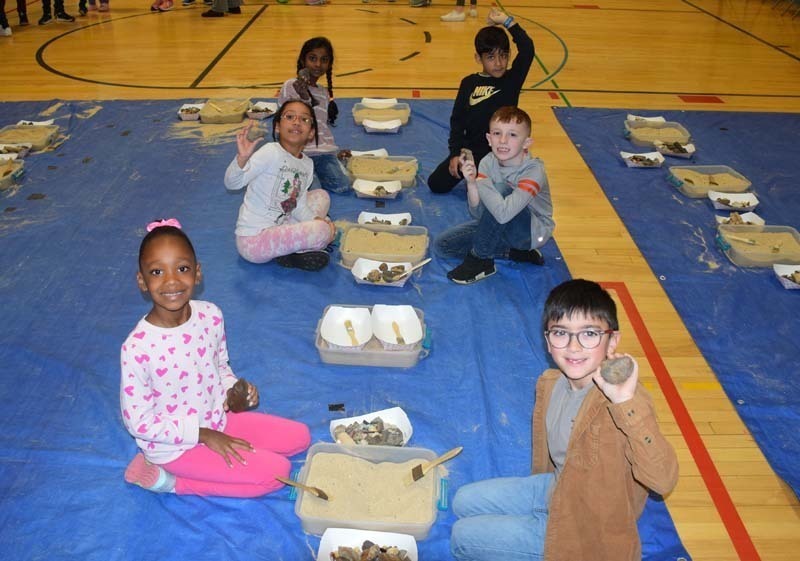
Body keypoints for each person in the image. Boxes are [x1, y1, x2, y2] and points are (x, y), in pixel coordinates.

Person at [450, 279, 679, 561]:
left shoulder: (625, 401)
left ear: (612, 341)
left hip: (586, 530)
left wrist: (625, 403)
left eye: (589, 334)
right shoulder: (551, 382)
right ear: (547, 340)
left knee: (463, 536)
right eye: (561, 333)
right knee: (462, 500)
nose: (573, 347)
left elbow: (663, 480)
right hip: (560, 488)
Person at [121, 219, 311, 497]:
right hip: (173, 447)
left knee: (300, 438)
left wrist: (234, 393)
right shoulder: (137, 348)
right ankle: (171, 482)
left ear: (197, 274)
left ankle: (219, 457)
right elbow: (139, 422)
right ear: (142, 281)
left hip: (218, 420)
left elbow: (220, 367)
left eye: (182, 268)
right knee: (277, 475)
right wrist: (204, 435)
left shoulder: (210, 315)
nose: (171, 280)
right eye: (157, 271)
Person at [435, 106, 554, 285]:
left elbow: (504, 213)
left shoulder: (533, 171)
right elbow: (479, 214)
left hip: (530, 232)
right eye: (497, 133)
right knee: (443, 245)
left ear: (526, 143)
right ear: (489, 139)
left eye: (513, 135)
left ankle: (481, 260)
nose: (503, 140)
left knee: (502, 190)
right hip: (501, 223)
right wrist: (472, 183)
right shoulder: (488, 162)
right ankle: (513, 252)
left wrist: (484, 184)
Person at [428, 8, 534, 194]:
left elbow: (527, 48)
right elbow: (458, 121)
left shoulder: (512, 79)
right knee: (436, 184)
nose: (499, 63)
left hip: (503, 153)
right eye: (491, 57)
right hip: (472, 152)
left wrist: (507, 22)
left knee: (499, 196)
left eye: (503, 55)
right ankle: (480, 177)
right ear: (478, 58)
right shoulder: (469, 83)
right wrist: (455, 155)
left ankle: (497, 177)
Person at [225, 100, 336, 271]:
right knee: (322, 231)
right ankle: (299, 246)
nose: (296, 122)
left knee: (322, 196)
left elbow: (298, 205)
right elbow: (232, 184)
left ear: (311, 133)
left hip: (281, 225)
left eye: (304, 119)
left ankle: (293, 249)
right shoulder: (271, 151)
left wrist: (316, 220)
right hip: (254, 241)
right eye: (289, 116)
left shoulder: (306, 164)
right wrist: (241, 159)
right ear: (277, 126)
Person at [278, 37, 351, 194]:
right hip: (297, 153)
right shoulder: (290, 86)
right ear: (303, 60)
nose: (318, 64)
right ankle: (302, 174)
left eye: (324, 60)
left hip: (321, 153)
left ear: (329, 64)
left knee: (343, 186)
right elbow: (291, 119)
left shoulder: (324, 93)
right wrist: (303, 92)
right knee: (313, 192)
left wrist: (332, 151)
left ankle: (333, 164)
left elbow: (321, 127)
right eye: (312, 58)